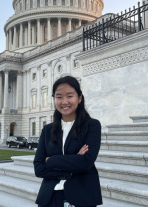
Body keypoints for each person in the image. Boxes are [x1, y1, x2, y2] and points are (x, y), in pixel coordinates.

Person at [34, 75, 102, 207]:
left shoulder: (92, 126)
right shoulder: (47, 130)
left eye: (70, 96)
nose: (64, 101)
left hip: (81, 196)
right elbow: (39, 168)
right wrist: (74, 160)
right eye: (59, 97)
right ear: (54, 99)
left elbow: (85, 163)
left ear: (79, 98)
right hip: (50, 198)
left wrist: (51, 160)